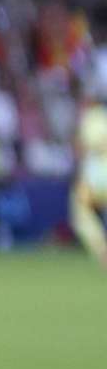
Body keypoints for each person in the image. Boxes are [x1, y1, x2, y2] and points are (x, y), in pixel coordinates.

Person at [76, 90, 107, 267]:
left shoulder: (92, 117)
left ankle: (102, 249)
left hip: (96, 175)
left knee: (81, 212)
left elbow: (84, 146)